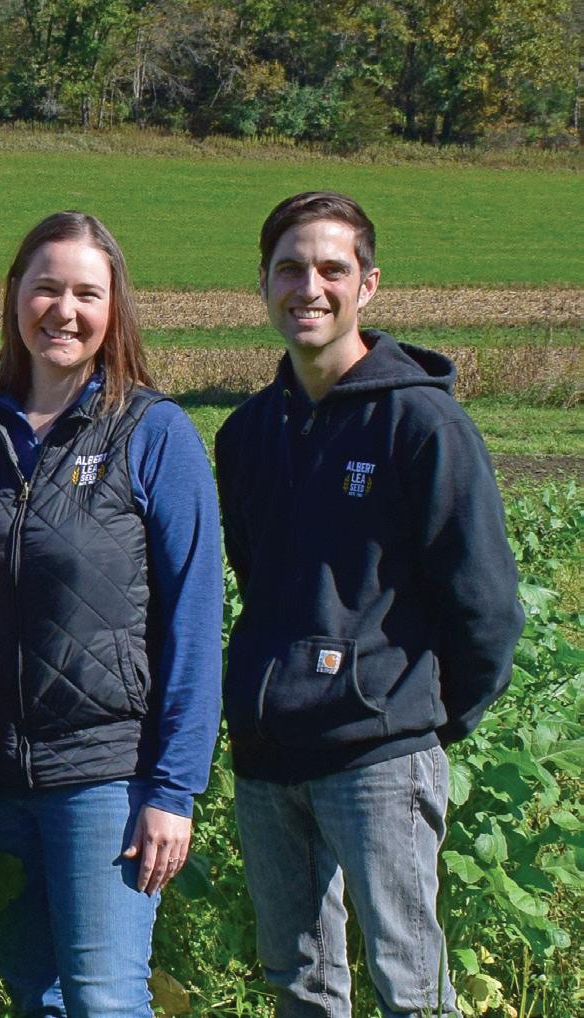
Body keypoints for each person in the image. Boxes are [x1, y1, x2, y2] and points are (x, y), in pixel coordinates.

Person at [215, 191, 523, 1016]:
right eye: (289, 269)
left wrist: (412, 717)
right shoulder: (245, 434)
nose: (308, 288)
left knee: (409, 987)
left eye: (331, 269)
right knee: (298, 986)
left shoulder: (421, 425)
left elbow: (485, 607)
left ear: (367, 285)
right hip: (268, 755)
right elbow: (257, 576)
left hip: (379, 754)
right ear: (262, 282)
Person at [0, 212, 223, 1017]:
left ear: (113, 309)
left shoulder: (152, 433)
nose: (63, 311)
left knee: (103, 1000)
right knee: (36, 1001)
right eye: (45, 288)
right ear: (14, 297)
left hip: (105, 779)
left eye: (85, 293)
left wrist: (173, 789)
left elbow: (193, 621)